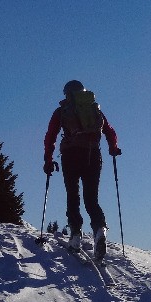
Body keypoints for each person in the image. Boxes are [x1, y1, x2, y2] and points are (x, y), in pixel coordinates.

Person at [43, 80, 121, 257]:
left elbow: (50, 136)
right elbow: (109, 130)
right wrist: (113, 148)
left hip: (70, 155)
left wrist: (48, 159)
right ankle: (100, 229)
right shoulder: (94, 109)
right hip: (93, 154)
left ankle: (75, 235)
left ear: (67, 94)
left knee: (73, 194)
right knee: (91, 198)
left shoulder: (62, 111)